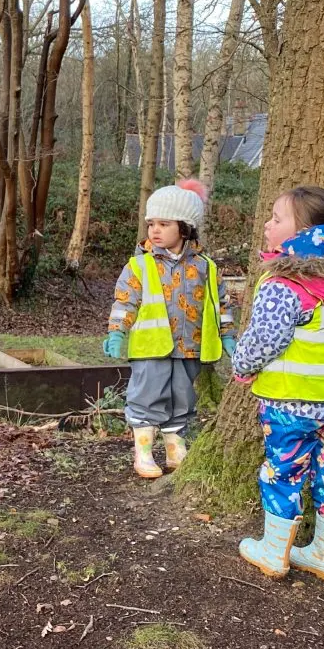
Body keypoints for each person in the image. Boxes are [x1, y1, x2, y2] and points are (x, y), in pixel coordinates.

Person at [233, 186, 324, 581]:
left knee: (282, 472)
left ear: (304, 234)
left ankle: (274, 553)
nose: (267, 225)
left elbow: (265, 339)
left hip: (288, 405)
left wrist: (242, 366)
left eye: (276, 219)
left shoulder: (284, 285)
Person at [104, 179, 236, 478]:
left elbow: (220, 305)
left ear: (185, 228)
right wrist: (117, 331)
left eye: (164, 224)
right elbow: (125, 301)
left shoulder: (206, 267)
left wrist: (228, 335)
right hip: (150, 348)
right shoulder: (139, 265)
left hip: (190, 347)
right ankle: (144, 453)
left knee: (182, 398)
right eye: (151, 224)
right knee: (147, 396)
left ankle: (175, 449)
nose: (155, 230)